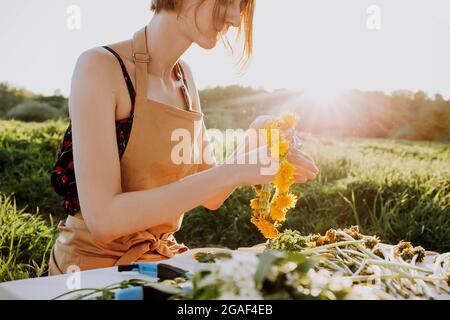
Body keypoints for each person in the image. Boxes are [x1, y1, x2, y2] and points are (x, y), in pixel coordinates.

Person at [48, 0, 320, 275]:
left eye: (241, 7)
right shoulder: (100, 66)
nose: (236, 20)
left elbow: (212, 194)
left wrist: (256, 135)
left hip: (156, 264)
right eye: (227, 1)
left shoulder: (184, 77)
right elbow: (104, 220)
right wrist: (235, 170)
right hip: (92, 269)